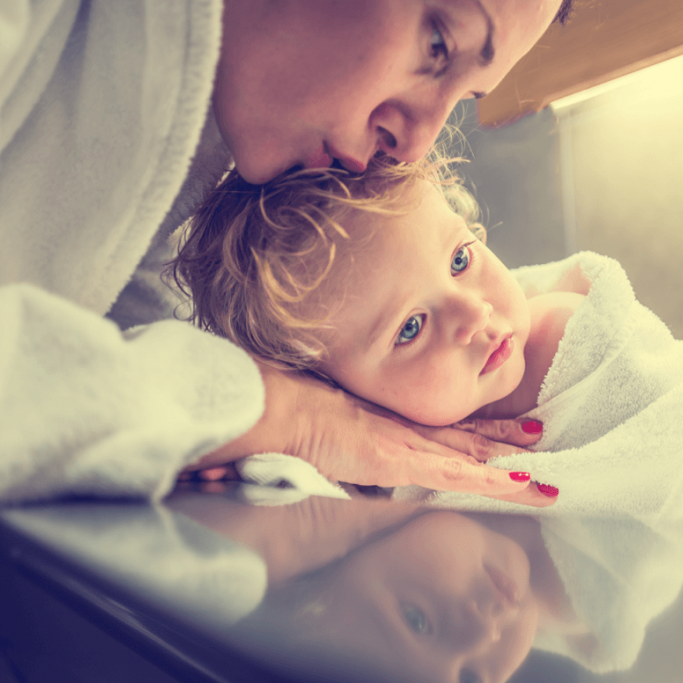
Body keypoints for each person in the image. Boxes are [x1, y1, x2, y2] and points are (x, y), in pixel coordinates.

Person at [0, 0, 573, 505]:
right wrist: (284, 415)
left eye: (467, 96)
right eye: (438, 44)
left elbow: (107, 332)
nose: (417, 144)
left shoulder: (191, 131)